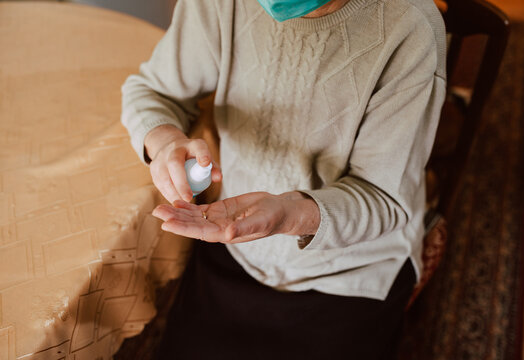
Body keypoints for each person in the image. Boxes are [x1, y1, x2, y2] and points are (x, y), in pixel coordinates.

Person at [121, 0, 446, 358]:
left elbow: (383, 199)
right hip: (238, 245)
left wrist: (290, 214)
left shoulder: (409, 25)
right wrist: (165, 140)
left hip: (350, 274)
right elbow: (153, 90)